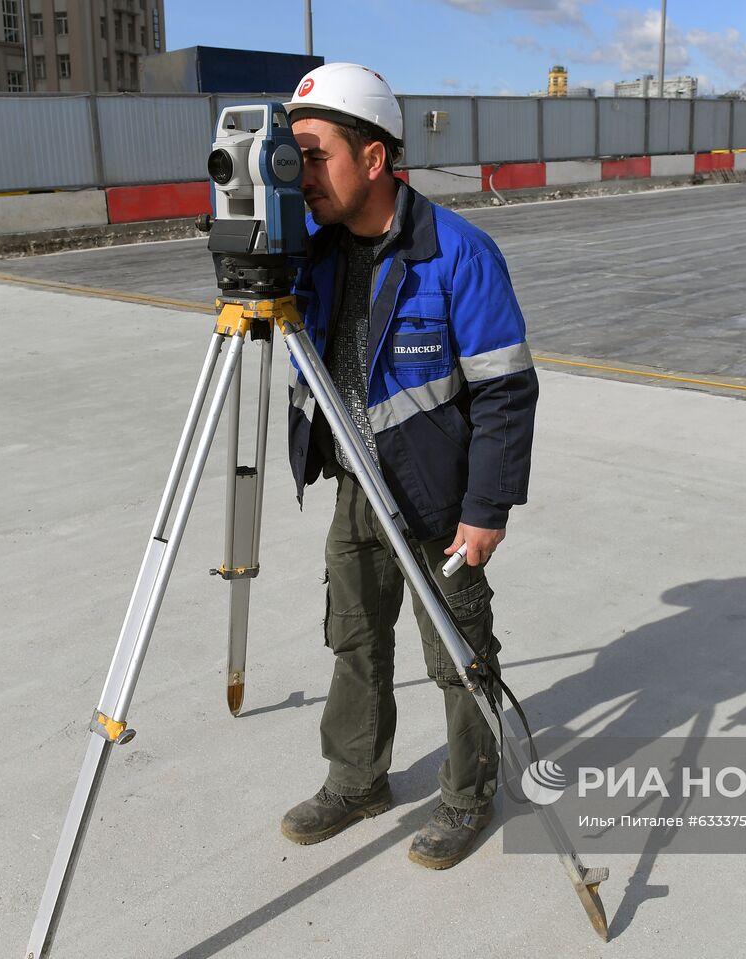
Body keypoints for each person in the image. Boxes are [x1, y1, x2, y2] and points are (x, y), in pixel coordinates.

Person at [278, 63, 539, 870]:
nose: (300, 174)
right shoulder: (311, 256)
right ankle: (358, 778)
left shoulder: (457, 252)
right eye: (294, 156)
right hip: (358, 485)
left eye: (316, 155)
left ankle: (468, 793)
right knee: (354, 640)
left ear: (376, 159)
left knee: (457, 654)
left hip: (439, 496)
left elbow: (506, 391)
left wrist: (486, 507)